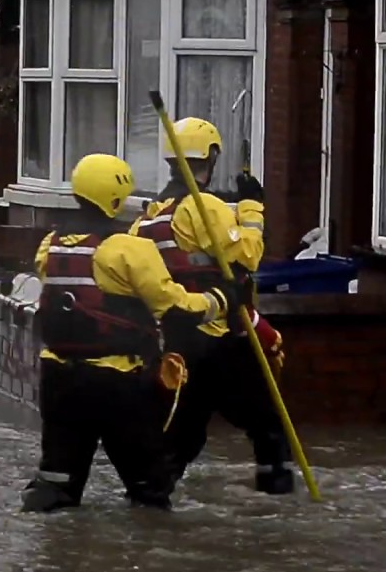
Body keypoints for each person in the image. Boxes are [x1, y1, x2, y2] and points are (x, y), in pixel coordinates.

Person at [20, 153, 238, 514]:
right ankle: (147, 558)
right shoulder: (128, 249)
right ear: (116, 198)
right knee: (149, 488)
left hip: (58, 380)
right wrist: (223, 299)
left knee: (57, 484)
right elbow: (175, 308)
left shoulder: (51, 246)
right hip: (117, 383)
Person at [127, 117, 295, 495]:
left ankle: (148, 502)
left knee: (182, 437)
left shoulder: (150, 213)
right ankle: (277, 501)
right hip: (220, 338)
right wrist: (252, 208)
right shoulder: (204, 207)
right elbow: (248, 255)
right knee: (268, 424)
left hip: (175, 342)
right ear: (212, 157)